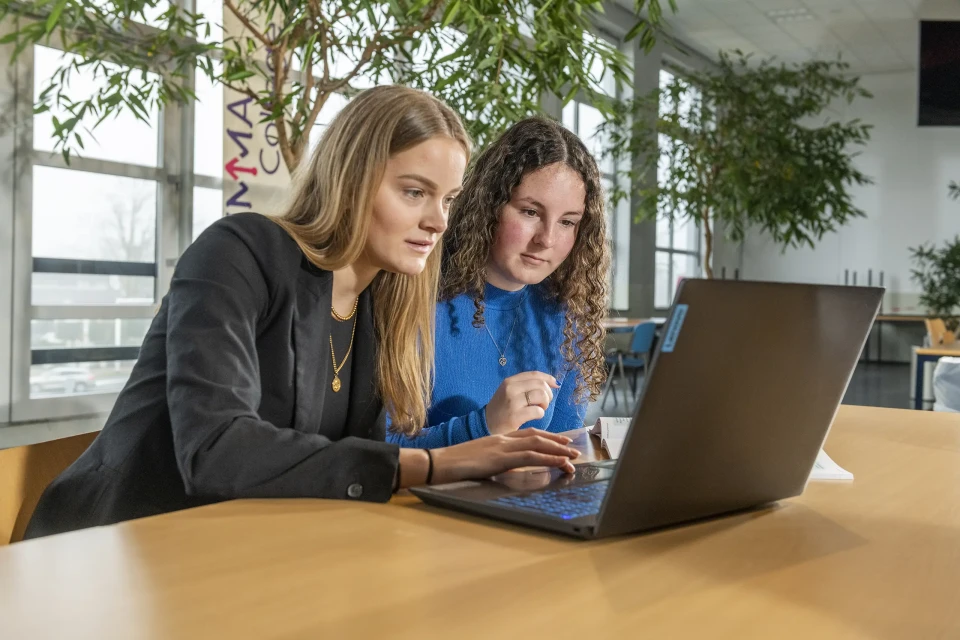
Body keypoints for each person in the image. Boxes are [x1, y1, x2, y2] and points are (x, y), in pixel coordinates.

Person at [25, 87, 581, 539]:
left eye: (449, 200)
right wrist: (439, 464)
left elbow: (344, 465)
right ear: (352, 178)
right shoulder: (238, 252)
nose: (438, 221)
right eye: (415, 192)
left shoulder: (381, 304)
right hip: (113, 549)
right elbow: (216, 451)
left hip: (247, 548)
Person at [386, 117, 609, 449]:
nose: (546, 239)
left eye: (567, 222)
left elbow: (565, 441)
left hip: (523, 497)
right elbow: (379, 448)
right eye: (530, 212)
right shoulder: (413, 294)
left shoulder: (563, 314)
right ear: (489, 205)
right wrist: (484, 426)